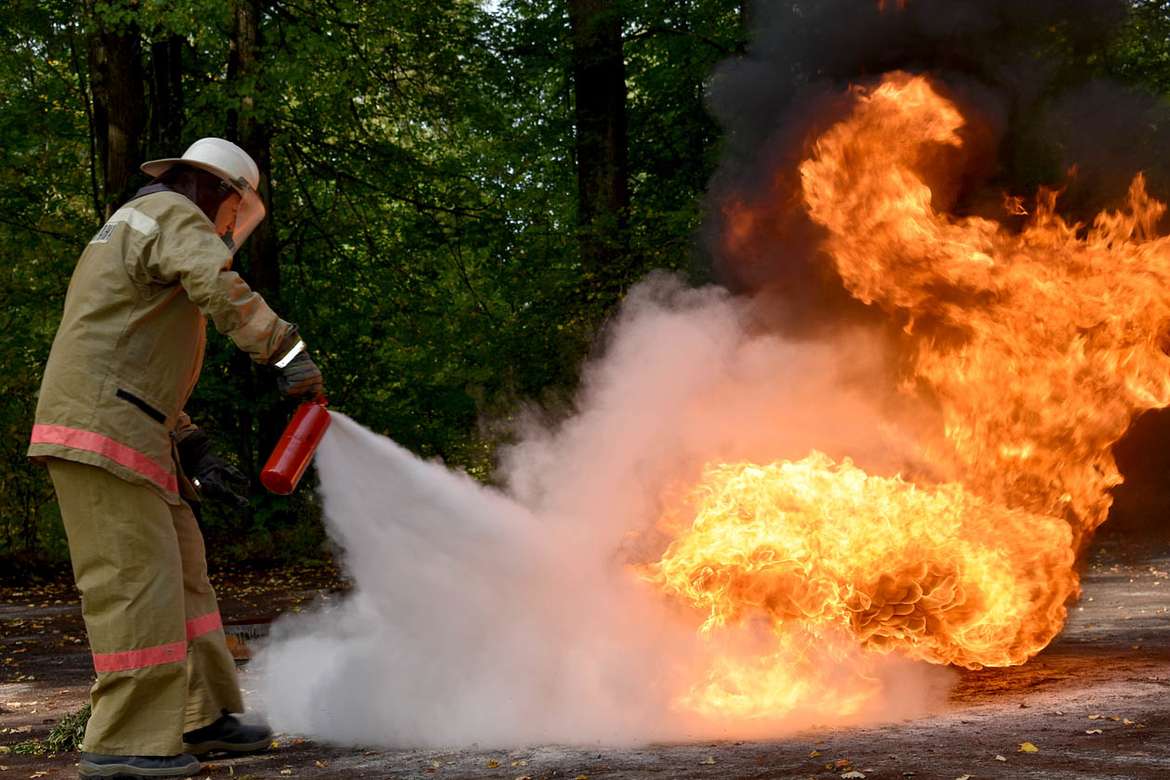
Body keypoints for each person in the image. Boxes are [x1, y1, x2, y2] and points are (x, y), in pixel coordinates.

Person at [27, 138, 324, 778]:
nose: (227, 228)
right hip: (105, 433)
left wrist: (194, 445)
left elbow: (126, 349)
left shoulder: (140, 224)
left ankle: (202, 715)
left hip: (135, 430)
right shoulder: (171, 214)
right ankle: (123, 741)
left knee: (185, 578)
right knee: (134, 584)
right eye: (233, 212)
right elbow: (217, 283)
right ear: (218, 190)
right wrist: (285, 352)